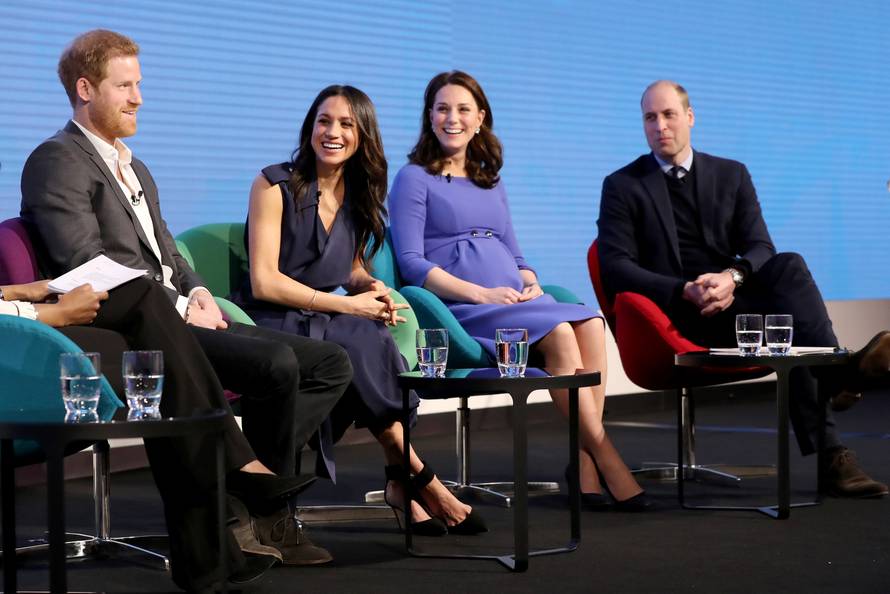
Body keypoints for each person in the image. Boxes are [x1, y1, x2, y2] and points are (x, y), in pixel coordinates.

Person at [18, 29, 354, 568]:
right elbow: (85, 261)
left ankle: (252, 507)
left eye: (139, 85)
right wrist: (177, 308)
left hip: (179, 311)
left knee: (330, 363)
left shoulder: (136, 166)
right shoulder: (57, 160)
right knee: (276, 362)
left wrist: (198, 290)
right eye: (125, 86)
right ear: (85, 89)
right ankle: (255, 507)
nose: (138, 98)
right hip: (127, 326)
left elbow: (168, 253)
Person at [597, 79, 890, 498]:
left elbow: (759, 246)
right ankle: (837, 394)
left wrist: (731, 278)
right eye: (650, 117)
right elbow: (616, 268)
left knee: (788, 265)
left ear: (690, 117)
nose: (660, 125)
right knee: (787, 329)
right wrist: (684, 289)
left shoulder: (730, 174)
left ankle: (834, 396)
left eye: (669, 114)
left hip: (737, 305)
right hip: (679, 318)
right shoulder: (623, 185)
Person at [388, 70, 651, 511]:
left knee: (588, 321)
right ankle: (605, 457)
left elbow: (515, 251)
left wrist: (529, 282)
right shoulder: (414, 178)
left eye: (462, 109)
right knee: (563, 335)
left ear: (480, 119)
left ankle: (584, 466)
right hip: (463, 309)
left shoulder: (490, 178)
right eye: (442, 109)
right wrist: (479, 294)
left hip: (512, 300)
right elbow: (412, 264)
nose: (452, 118)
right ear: (430, 117)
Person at [231, 84, 486, 535]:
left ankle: (405, 479)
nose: (333, 132)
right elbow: (264, 282)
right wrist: (351, 308)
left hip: (323, 315)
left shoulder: (357, 193)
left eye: (346, 124)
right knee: (359, 335)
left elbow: (350, 269)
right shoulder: (274, 184)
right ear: (310, 127)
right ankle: (421, 480)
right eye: (324, 121)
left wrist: (371, 287)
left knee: (369, 336)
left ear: (362, 135)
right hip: (272, 317)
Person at [0, 276, 315, 591]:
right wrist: (45, 314)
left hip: (16, 312)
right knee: (150, 338)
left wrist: (15, 291)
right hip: (16, 336)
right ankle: (217, 528)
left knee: (144, 302)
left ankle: (213, 549)